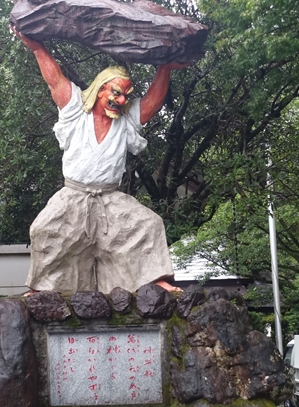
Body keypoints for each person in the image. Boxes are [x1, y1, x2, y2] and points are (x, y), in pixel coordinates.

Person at [14, 27, 187, 294]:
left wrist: (164, 69)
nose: (120, 100)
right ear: (100, 88)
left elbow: (152, 102)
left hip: (110, 199)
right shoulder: (74, 110)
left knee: (148, 224)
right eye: (115, 92)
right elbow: (55, 81)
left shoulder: (126, 121)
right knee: (44, 230)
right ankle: (43, 289)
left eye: (125, 96)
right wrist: (37, 48)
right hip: (72, 195)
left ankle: (152, 282)